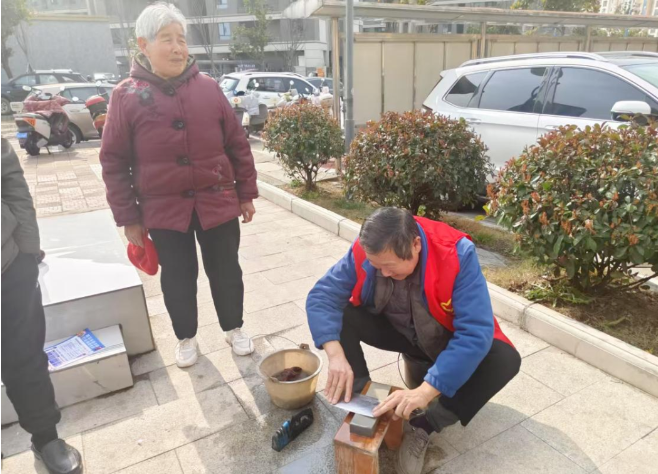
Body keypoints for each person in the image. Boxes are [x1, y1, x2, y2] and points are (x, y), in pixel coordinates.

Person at [100, 2, 258, 368]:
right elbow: (113, 162)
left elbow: (237, 143)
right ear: (144, 45)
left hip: (217, 201)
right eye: (167, 39)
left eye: (181, 39)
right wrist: (129, 218)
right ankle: (186, 337)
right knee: (178, 277)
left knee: (226, 270)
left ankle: (234, 327)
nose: (177, 48)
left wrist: (246, 193)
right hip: (163, 210)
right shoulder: (126, 95)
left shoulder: (208, 88)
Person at [306, 207, 521, 474]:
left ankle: (425, 424)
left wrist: (425, 392)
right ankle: (364, 403)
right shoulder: (367, 248)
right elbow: (322, 296)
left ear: (416, 245)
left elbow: (475, 332)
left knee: (505, 359)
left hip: (443, 336)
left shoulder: (456, 253)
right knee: (341, 314)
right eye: (377, 267)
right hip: (400, 332)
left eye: (390, 267)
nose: (383, 273)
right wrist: (336, 355)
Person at [1, 138, 83, 474]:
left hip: (8, 265)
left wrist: (27, 248)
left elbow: (10, 180)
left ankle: (46, 438)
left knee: (25, 356)